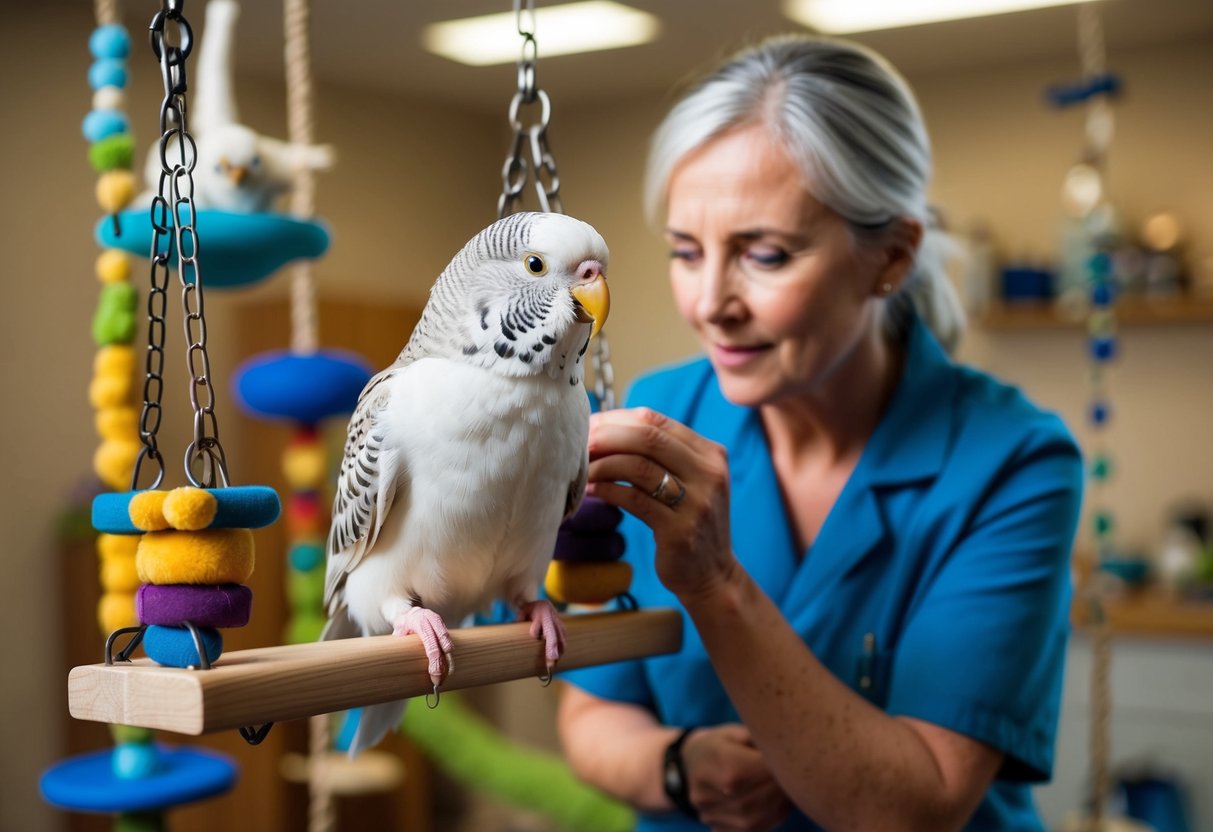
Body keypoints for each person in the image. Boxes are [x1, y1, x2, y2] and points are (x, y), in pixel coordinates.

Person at [557, 35, 1083, 832]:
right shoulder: (658, 413)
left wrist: (716, 584)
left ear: (890, 257)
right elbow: (594, 716)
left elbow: (916, 807)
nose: (708, 302)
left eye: (764, 255)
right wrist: (677, 764)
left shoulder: (1010, 462)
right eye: (684, 252)